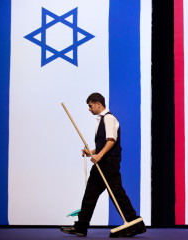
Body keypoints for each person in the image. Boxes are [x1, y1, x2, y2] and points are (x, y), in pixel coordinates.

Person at [60, 93, 146, 237]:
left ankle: (134, 222)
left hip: (109, 163)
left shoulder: (109, 118)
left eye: (90, 105)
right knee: (91, 194)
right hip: (103, 161)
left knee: (116, 193)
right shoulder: (101, 120)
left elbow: (111, 140)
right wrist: (92, 152)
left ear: (98, 104)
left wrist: (99, 155)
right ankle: (81, 227)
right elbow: (104, 143)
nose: (89, 109)